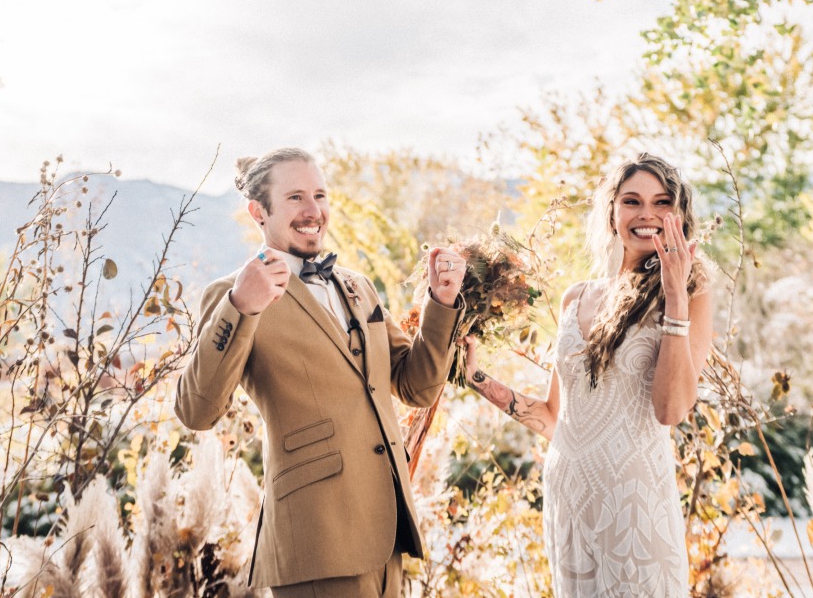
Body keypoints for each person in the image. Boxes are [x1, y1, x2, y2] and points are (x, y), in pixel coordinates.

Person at [175, 147, 466, 597]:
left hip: (387, 530)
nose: (313, 211)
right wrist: (240, 307)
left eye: (320, 195)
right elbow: (196, 412)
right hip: (315, 540)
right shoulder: (231, 294)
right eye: (295, 197)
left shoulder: (356, 285)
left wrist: (441, 302)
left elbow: (416, 386)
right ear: (259, 212)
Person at [465, 152, 712, 597]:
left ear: (678, 215)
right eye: (632, 201)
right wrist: (478, 378)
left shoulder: (693, 290)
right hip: (569, 498)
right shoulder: (575, 298)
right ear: (612, 211)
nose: (647, 215)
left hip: (634, 506)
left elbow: (671, 409)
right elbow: (554, 419)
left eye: (661, 203)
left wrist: (674, 295)